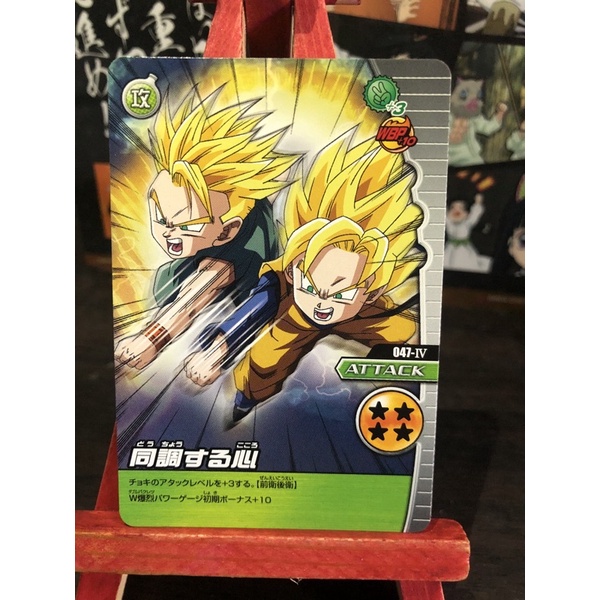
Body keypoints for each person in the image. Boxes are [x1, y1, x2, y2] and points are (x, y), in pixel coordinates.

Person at [183, 129, 426, 421]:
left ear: (371, 288)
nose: (323, 301)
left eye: (339, 292)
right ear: (294, 268)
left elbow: (415, 346)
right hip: (295, 314)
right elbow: (252, 312)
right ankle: (244, 402)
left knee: (403, 333)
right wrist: (215, 353)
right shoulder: (283, 283)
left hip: (359, 312)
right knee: (263, 361)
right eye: (312, 286)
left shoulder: (372, 303)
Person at [114, 89, 299, 370]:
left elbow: (194, 298)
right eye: (161, 217)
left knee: (220, 283)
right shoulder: (215, 209)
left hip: (255, 264)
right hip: (218, 236)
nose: (168, 231)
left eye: (185, 225)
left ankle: (215, 350)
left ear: (227, 231)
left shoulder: (245, 247)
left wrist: (151, 341)